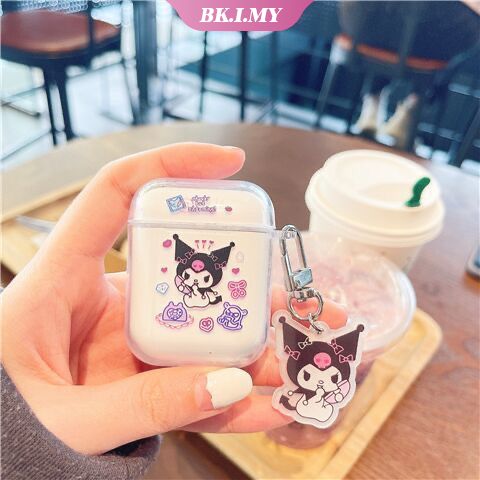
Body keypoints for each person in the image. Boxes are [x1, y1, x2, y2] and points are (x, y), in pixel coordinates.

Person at [1, 143, 347, 479]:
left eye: (205, 275)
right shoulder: (209, 208)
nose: (196, 278)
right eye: (191, 273)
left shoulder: (194, 208)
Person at [339, 1, 480, 147]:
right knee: (462, 22)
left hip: (366, 20)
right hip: (437, 30)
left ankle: (373, 102)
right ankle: (413, 107)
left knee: (401, 17)